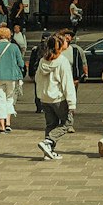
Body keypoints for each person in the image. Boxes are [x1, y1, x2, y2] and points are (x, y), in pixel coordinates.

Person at [35, 31, 77, 160]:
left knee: (51, 124)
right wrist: (72, 103)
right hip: (58, 98)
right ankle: (48, 142)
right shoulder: (62, 61)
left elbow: (37, 78)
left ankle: (48, 151)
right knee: (67, 123)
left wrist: (41, 94)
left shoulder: (43, 60)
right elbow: (67, 83)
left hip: (45, 98)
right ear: (59, 46)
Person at [0, 24, 24, 133]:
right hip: (12, 76)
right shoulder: (14, 47)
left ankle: (1, 126)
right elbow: (21, 63)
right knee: (9, 99)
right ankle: (8, 123)